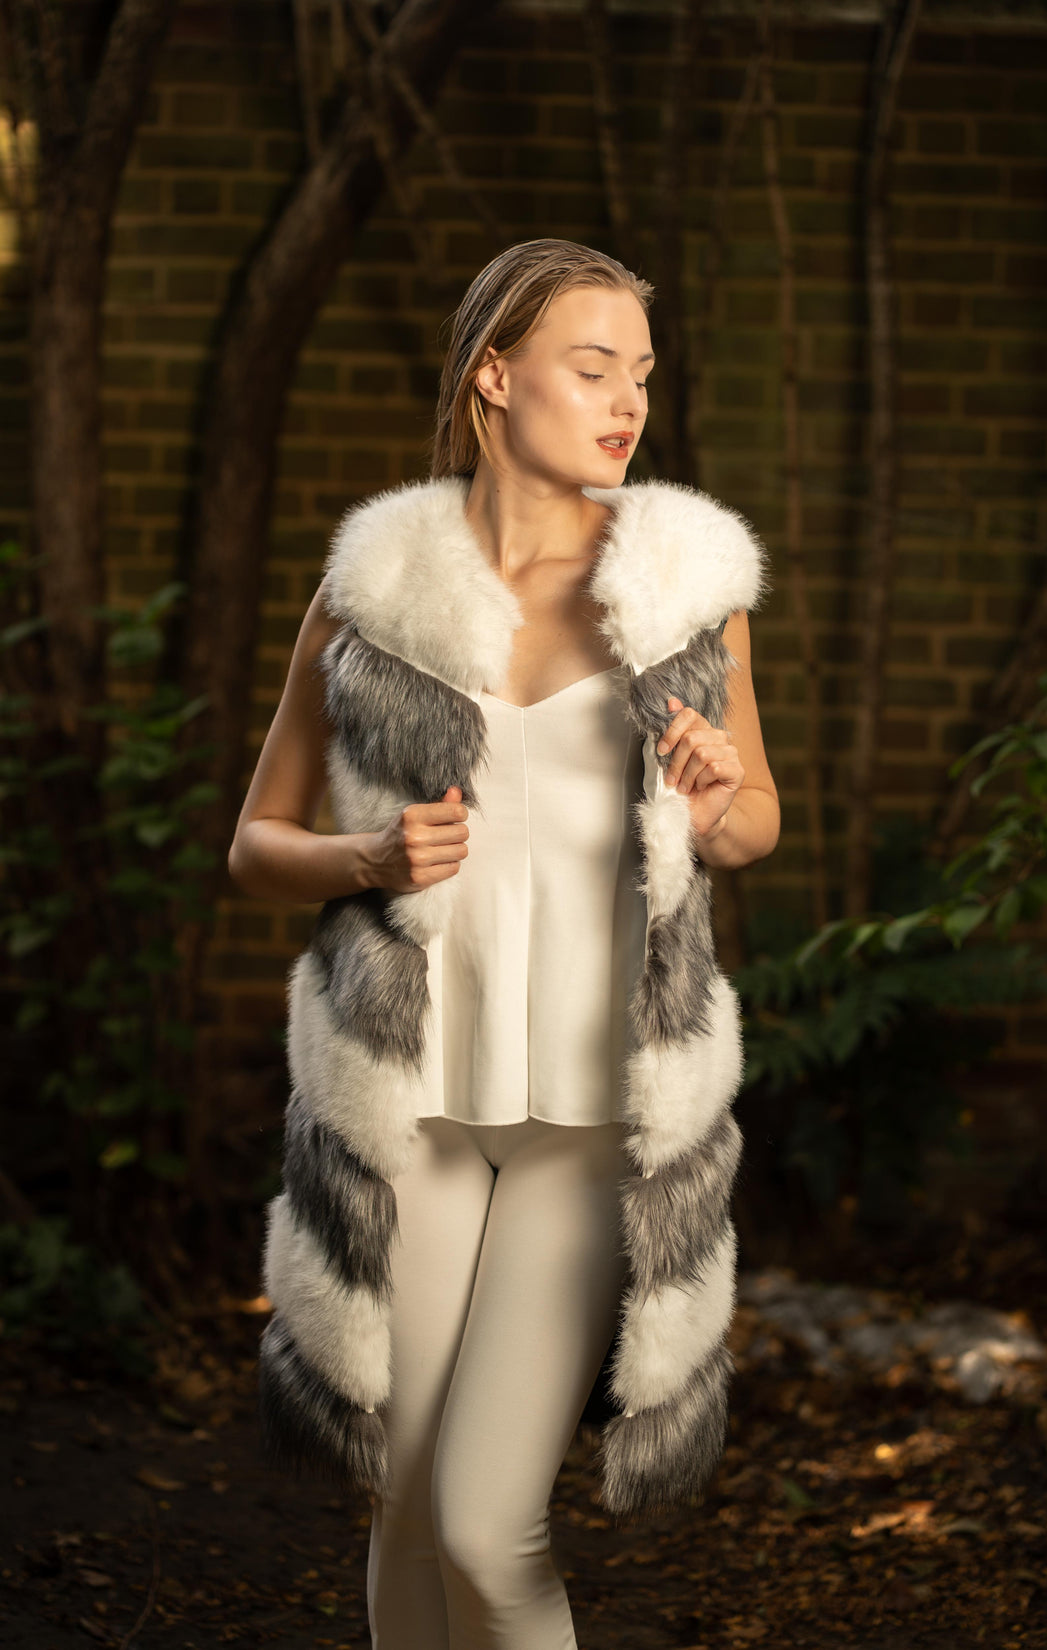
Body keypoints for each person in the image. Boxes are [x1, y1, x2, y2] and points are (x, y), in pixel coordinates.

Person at [228, 238, 780, 1650]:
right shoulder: (376, 593)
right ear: (493, 373)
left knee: (487, 1521)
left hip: (589, 1120)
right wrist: (366, 857)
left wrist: (719, 801)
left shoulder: (683, 589)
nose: (629, 401)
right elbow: (256, 842)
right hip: (409, 1108)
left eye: (642, 373)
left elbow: (753, 824)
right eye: (593, 368)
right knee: (407, 1504)